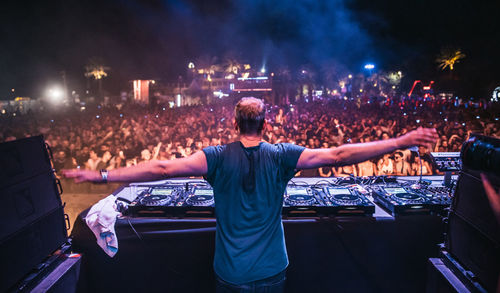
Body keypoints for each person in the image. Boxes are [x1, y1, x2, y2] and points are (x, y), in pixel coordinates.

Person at [63, 97, 438, 293]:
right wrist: (401, 141)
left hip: (231, 272)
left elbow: (162, 169)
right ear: (266, 124)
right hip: (273, 268)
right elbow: (339, 155)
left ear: (234, 124)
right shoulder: (282, 154)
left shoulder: (215, 157)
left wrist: (101, 176)